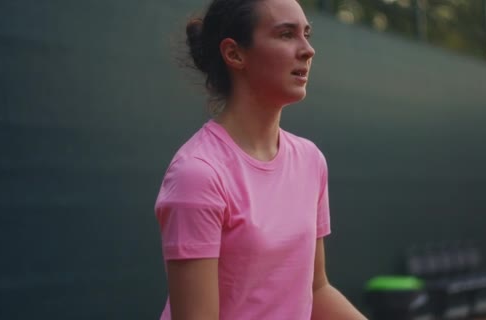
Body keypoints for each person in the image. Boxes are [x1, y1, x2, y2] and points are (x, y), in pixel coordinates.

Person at [154, 0, 367, 319]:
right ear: (235, 54)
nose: (308, 50)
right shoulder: (198, 174)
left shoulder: (310, 161)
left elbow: (316, 288)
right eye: (286, 34)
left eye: (307, 34)